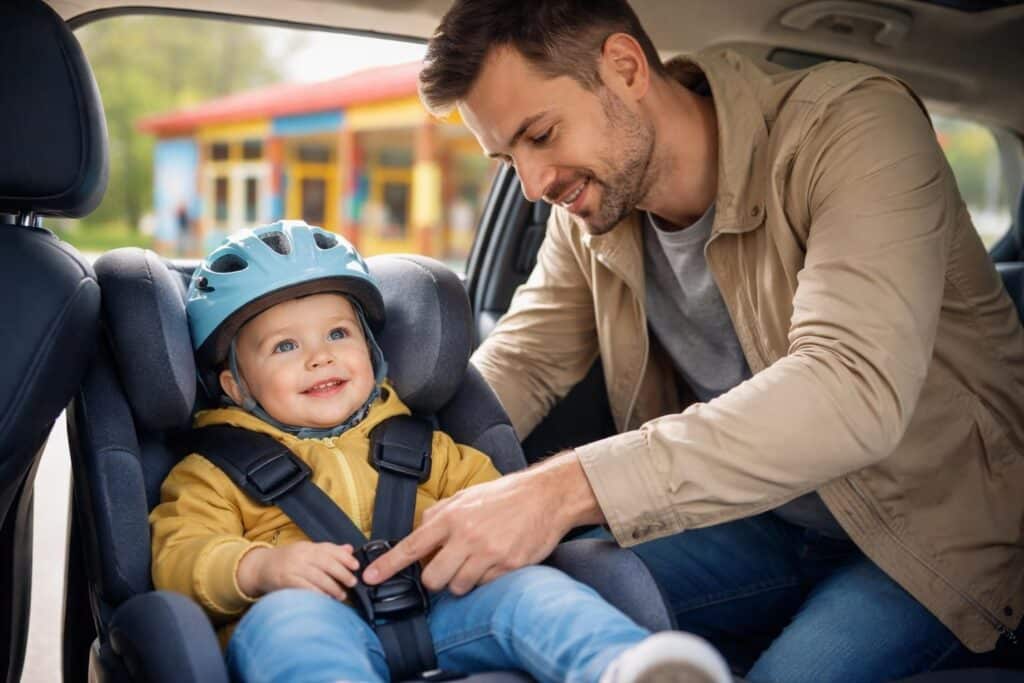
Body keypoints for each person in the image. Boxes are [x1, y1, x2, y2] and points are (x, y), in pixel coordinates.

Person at [362, 1, 1024, 681]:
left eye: (541, 133)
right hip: (763, 516)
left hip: (934, 532)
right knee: (538, 595)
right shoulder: (596, 211)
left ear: (625, 67)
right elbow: (524, 361)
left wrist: (560, 488)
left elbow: (849, 386)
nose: (533, 185)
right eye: (508, 159)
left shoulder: (852, 127)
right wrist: (361, 469)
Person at [149, 220, 732, 683]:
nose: (320, 357)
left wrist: (468, 537)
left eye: (338, 334)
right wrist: (260, 568)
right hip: (307, 615)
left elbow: (494, 502)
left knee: (535, 595)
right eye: (284, 346)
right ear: (234, 386)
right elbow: (180, 555)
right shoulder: (214, 473)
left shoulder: (423, 445)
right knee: (292, 627)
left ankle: (621, 667)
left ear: (373, 349)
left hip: (445, 611)